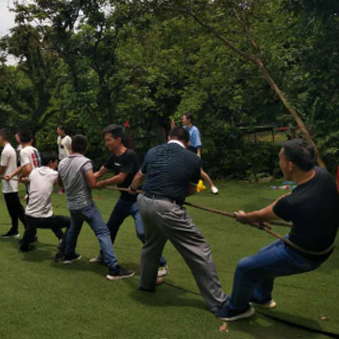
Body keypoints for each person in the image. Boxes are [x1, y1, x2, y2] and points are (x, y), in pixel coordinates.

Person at [216, 139, 339, 321]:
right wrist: (262, 217)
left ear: (290, 165)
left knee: (245, 267)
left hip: (304, 255)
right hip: (319, 246)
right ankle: (261, 298)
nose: (279, 163)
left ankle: (236, 309)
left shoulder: (294, 202)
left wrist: (245, 218)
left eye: (280, 159)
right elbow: (282, 203)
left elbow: (260, 214)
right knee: (262, 255)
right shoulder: (321, 175)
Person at [130, 126, 226, 313]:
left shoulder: (153, 151)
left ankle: (146, 283)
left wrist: (133, 188)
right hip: (167, 207)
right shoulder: (193, 159)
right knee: (199, 249)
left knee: (152, 244)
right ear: (188, 142)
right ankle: (219, 303)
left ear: (168, 138)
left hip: (144, 202)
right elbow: (190, 190)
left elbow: (138, 178)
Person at [90, 125, 169, 277]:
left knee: (141, 232)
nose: (106, 143)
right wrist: (87, 178)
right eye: (105, 140)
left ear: (118, 140)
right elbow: (100, 172)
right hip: (124, 200)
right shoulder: (113, 156)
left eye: (109, 140)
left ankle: (162, 263)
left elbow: (121, 177)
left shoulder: (130, 155)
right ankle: (104, 256)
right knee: (109, 229)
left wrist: (102, 183)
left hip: (137, 200)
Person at [59, 134, 135, 281]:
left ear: (70, 147)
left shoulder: (62, 163)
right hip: (86, 206)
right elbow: (92, 183)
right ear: (86, 148)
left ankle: (69, 255)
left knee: (74, 229)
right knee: (103, 233)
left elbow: (60, 184)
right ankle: (113, 268)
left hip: (72, 205)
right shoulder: (85, 162)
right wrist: (99, 183)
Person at [20, 151, 70, 259]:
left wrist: (24, 179)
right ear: (50, 162)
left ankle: (24, 246)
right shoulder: (54, 174)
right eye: (56, 162)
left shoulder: (34, 172)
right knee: (70, 222)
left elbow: (28, 180)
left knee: (32, 227)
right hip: (42, 219)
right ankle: (62, 249)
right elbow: (64, 183)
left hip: (28, 215)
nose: (56, 165)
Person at [0, 129, 26, 239]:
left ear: (1, 137)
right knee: (13, 209)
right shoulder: (10, 149)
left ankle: (30, 230)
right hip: (9, 183)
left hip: (9, 185)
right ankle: (14, 229)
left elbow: (2, 168)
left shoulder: (6, 151)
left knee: (18, 209)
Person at [174, 113, 219, 194]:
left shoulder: (195, 130)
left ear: (189, 120)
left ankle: (212, 186)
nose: (182, 120)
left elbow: (198, 142)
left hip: (193, 150)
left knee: (200, 171)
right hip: (185, 150)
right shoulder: (184, 128)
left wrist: (198, 153)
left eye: (184, 119)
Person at [8, 130, 41, 202]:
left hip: (32, 186)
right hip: (40, 182)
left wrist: (21, 177)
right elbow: (23, 166)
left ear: (20, 139)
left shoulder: (24, 151)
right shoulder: (35, 149)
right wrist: (11, 175)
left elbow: (28, 169)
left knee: (32, 211)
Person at [56, 125, 72, 194]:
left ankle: (69, 187)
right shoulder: (59, 138)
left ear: (63, 130)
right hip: (61, 158)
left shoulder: (68, 138)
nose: (57, 131)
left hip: (67, 158)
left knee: (67, 173)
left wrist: (71, 157)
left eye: (58, 130)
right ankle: (62, 187)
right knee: (61, 174)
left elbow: (70, 148)